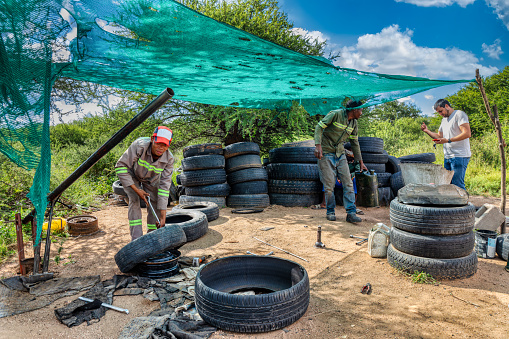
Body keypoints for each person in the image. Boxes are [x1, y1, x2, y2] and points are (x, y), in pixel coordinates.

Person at [115, 126, 175, 241]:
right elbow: (120, 166)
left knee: (156, 201)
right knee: (134, 200)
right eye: (158, 143)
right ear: (152, 139)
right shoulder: (140, 145)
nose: (161, 148)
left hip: (152, 179)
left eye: (165, 145)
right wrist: (137, 190)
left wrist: (163, 217)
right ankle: (136, 239)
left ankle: (151, 236)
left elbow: (164, 187)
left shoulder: (169, 159)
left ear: (169, 145)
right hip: (132, 174)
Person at [314, 100, 368, 222]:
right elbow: (319, 127)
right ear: (354, 110)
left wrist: (360, 161)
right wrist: (318, 146)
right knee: (329, 186)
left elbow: (355, 142)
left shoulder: (354, 123)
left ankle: (351, 213)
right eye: (360, 110)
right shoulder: (336, 114)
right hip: (326, 153)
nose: (361, 113)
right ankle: (330, 211)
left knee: (348, 183)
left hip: (340, 154)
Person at [421, 99, 471, 190]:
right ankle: (453, 203)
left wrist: (448, 140)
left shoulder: (459, 114)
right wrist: (426, 131)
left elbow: (467, 133)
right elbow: (439, 136)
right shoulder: (444, 120)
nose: (440, 114)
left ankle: (463, 203)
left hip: (459, 155)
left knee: (457, 185)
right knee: (449, 184)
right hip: (448, 156)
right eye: (438, 112)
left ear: (447, 106)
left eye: (441, 111)